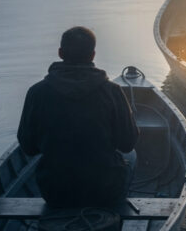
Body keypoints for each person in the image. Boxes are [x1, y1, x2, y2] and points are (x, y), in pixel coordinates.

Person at [17, 26, 139, 208]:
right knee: (132, 156)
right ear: (92, 55)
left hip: (55, 191)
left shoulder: (37, 93)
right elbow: (127, 144)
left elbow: (28, 147)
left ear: (60, 53)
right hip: (104, 189)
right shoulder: (112, 91)